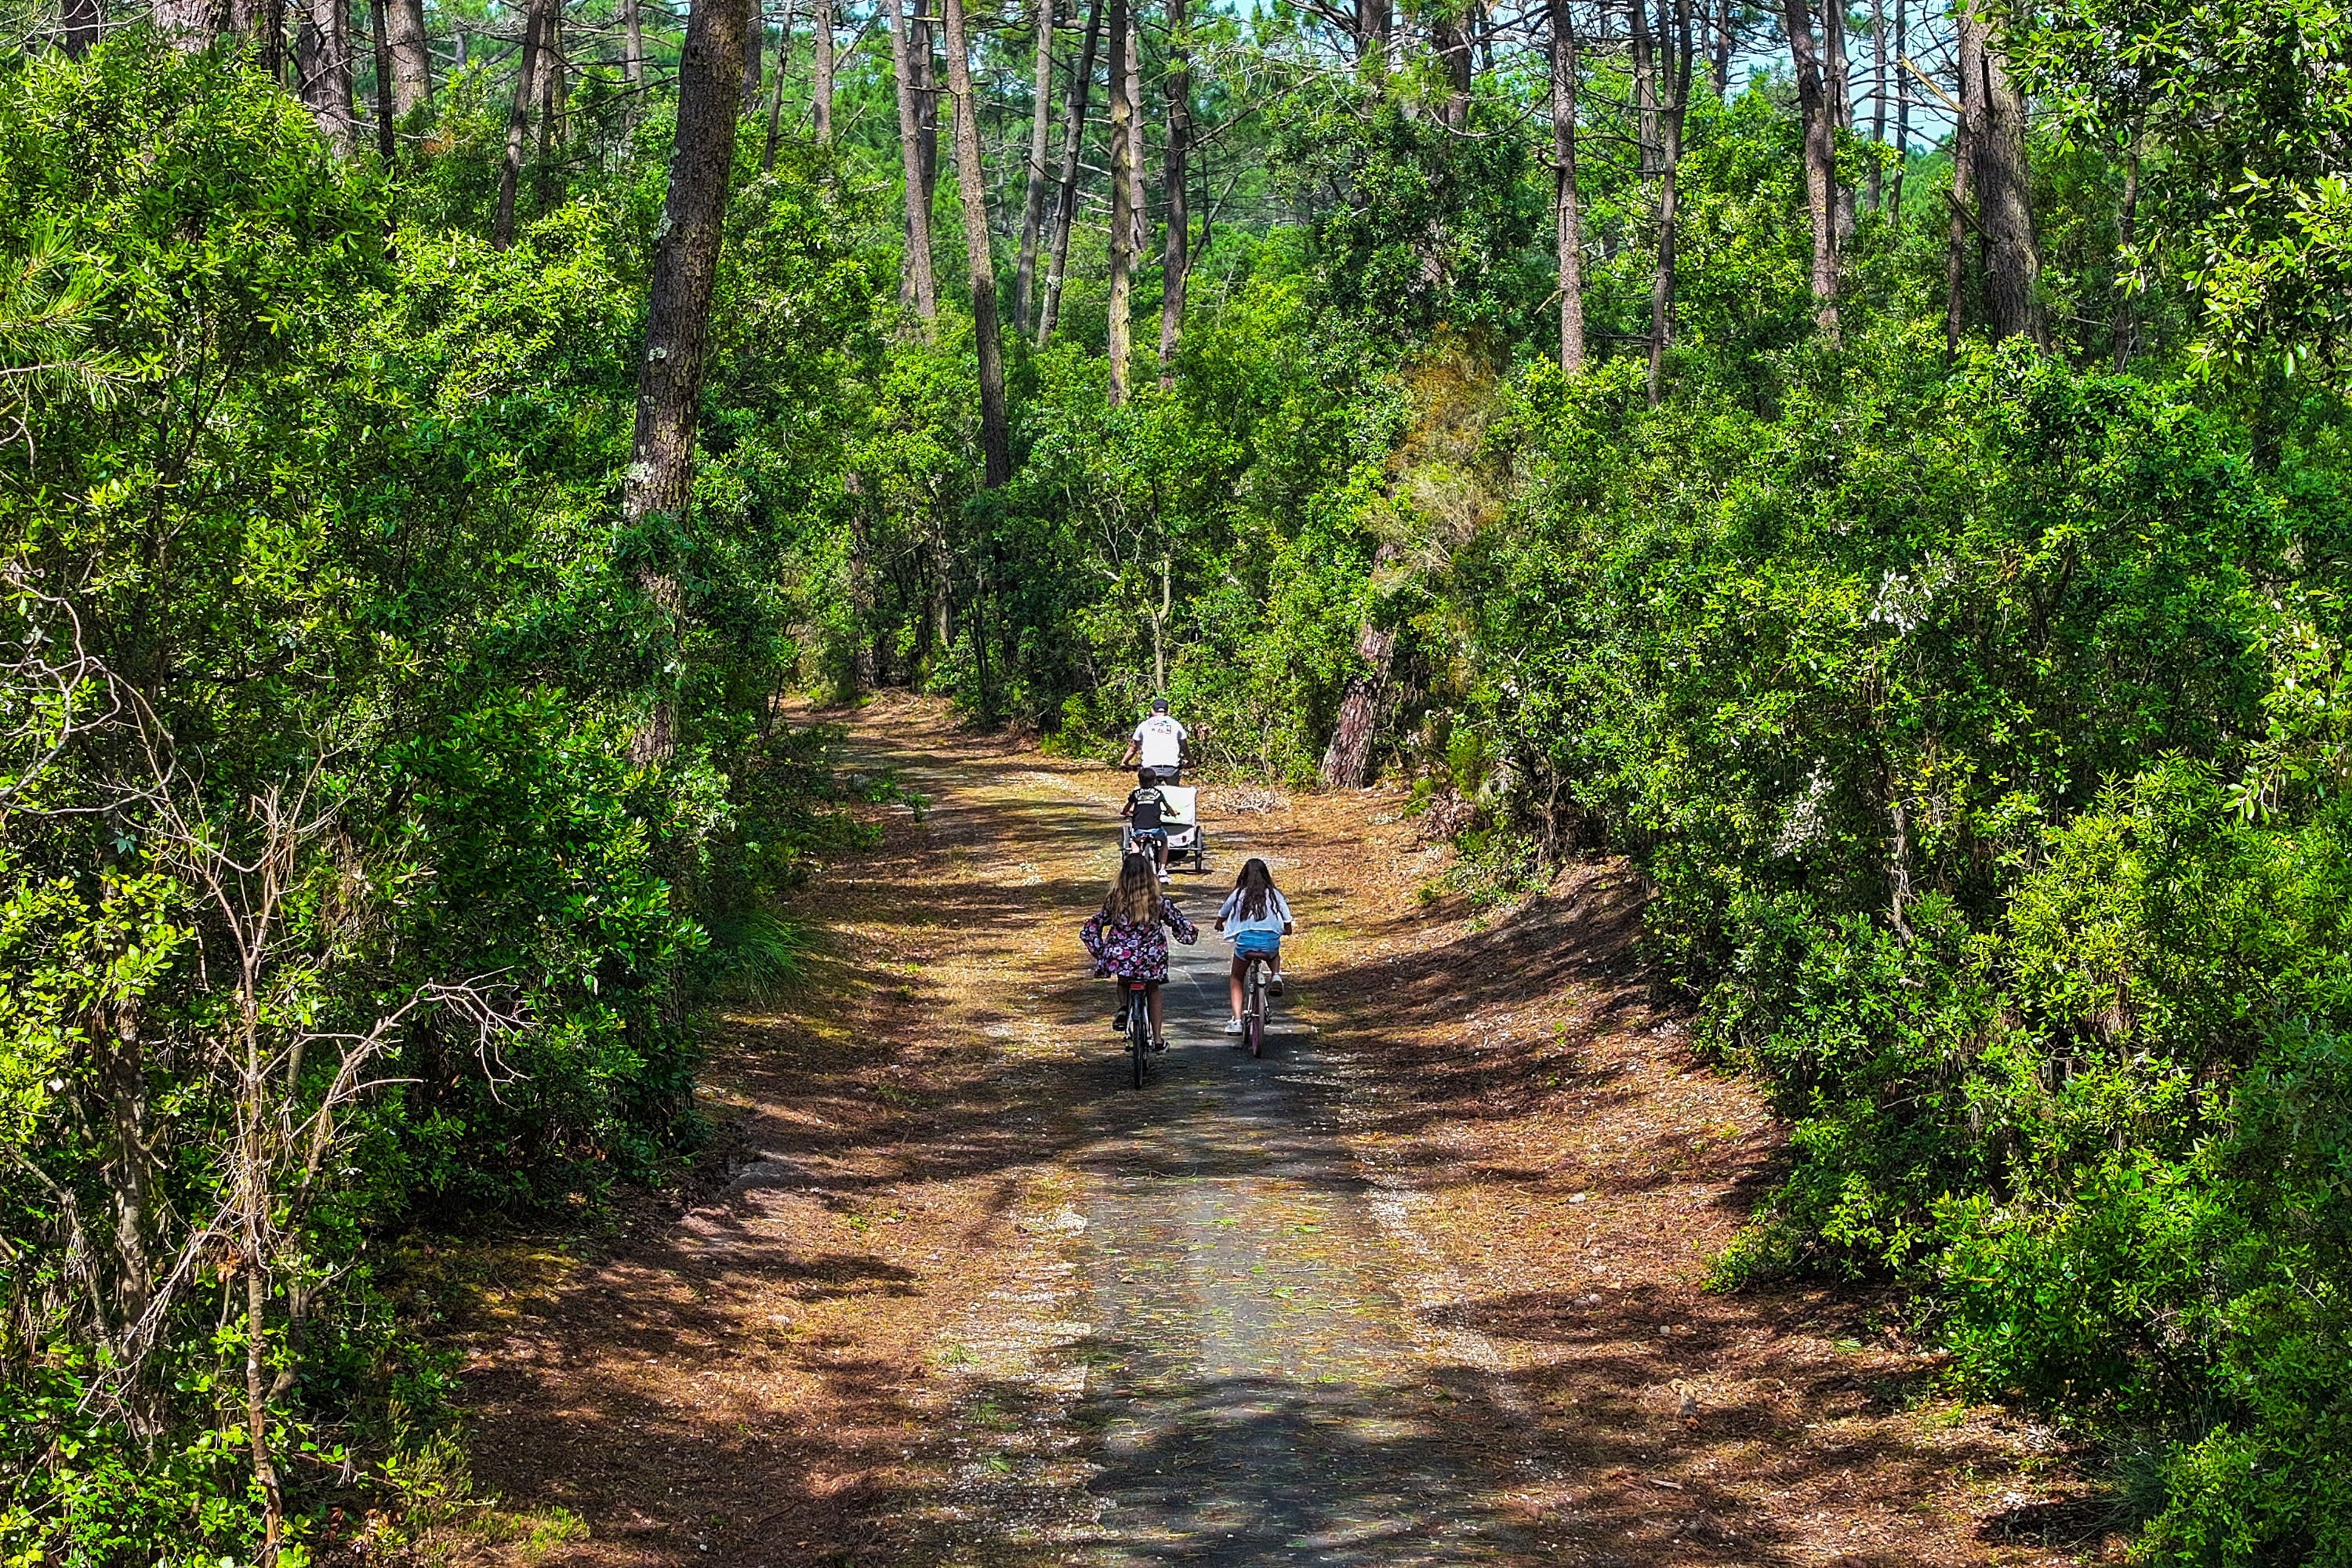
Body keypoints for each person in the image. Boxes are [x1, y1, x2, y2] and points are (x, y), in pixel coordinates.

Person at [1080, 853, 1199, 1051]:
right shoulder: (1157, 902)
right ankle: (1159, 1040)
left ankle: (1124, 1008)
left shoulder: (1115, 901)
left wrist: (1100, 951)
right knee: (1153, 990)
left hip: (1121, 957)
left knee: (1123, 981)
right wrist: (1189, 934)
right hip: (1151, 958)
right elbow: (1179, 923)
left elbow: (1093, 925)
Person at [1215, 857, 1293, 1035]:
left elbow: (1223, 913)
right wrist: (1286, 929)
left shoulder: (1239, 894)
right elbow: (1287, 920)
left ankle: (1236, 1021)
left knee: (1236, 977)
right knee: (1274, 951)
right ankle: (1276, 975)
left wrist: (1220, 923)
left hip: (1246, 943)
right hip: (1269, 943)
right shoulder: (1275, 894)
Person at [1120, 696, 1189, 784]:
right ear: (1168, 711)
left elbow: (1134, 747)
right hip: (1171, 767)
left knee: (1147, 793)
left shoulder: (1144, 725)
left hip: (1150, 767)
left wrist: (1125, 762)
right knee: (1173, 792)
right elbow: (1184, 746)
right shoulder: (1176, 725)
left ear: (1152, 711)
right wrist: (1190, 761)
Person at [1123, 771, 1173, 880]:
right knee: (1164, 842)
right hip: (1156, 828)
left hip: (1139, 829)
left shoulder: (1136, 793)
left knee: (1135, 842)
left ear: (1139, 781)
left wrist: (1125, 812)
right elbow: (1168, 807)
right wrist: (1173, 813)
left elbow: (1127, 807)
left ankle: (1135, 867)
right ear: (1155, 781)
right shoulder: (1158, 793)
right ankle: (1162, 870)